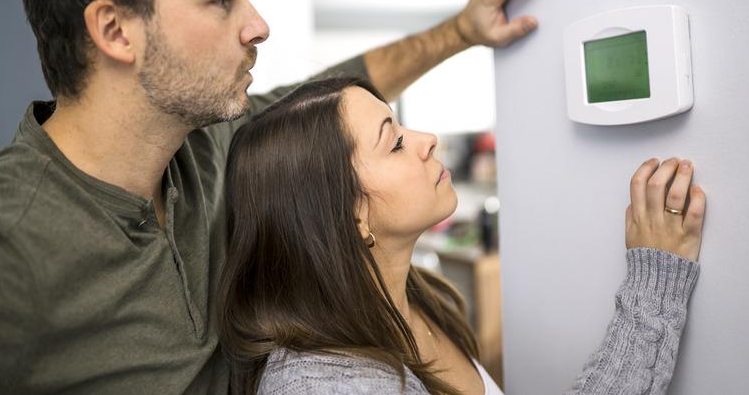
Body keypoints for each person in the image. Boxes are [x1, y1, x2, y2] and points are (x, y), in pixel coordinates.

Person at [0, 0, 553, 394]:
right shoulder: (0, 243)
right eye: (222, 0)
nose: (258, 25)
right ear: (116, 31)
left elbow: (339, 92)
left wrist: (463, 30)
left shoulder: (212, 144)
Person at [218, 76, 706, 395]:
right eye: (396, 142)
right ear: (349, 213)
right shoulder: (321, 386)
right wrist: (652, 285)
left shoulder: (421, 300)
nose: (428, 139)